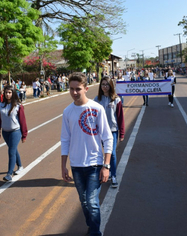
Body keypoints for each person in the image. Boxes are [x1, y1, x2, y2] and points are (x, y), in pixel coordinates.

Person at [61, 72, 113, 236]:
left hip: (94, 164)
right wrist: (63, 166)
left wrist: (106, 165)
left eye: (78, 89)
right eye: (71, 89)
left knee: (91, 202)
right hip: (76, 166)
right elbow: (65, 140)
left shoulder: (97, 108)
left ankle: (96, 232)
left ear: (86, 89)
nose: (74, 92)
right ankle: (92, 226)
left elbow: (107, 137)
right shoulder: (67, 112)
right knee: (84, 202)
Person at [94, 76, 125, 188]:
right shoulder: (96, 100)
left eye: (107, 84)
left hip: (112, 131)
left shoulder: (116, 99)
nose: (105, 86)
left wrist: (122, 133)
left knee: (111, 153)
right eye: (103, 84)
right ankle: (100, 173)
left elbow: (120, 117)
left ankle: (113, 176)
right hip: (99, 131)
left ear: (111, 85)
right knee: (99, 153)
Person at [0, 85, 27, 182]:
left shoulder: (18, 106)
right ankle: (20, 166)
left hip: (15, 131)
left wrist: (24, 134)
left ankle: (9, 174)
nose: (8, 94)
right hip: (5, 132)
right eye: (6, 93)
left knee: (11, 151)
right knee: (13, 150)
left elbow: (22, 121)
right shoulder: (0, 105)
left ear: (13, 93)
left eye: (9, 92)